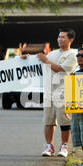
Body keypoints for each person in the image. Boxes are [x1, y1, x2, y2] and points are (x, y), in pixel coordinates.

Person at [31, 28, 78, 157]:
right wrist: (26, 59)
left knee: (64, 121)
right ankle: (49, 146)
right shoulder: (52, 54)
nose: (60, 39)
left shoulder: (72, 55)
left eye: (63, 37)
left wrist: (46, 61)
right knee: (48, 120)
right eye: (59, 37)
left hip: (63, 92)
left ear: (70, 40)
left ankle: (64, 146)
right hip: (49, 91)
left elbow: (62, 70)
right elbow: (37, 63)